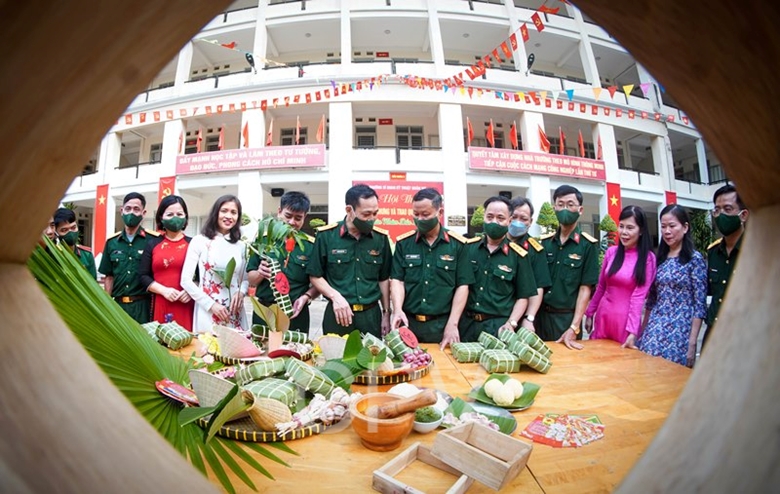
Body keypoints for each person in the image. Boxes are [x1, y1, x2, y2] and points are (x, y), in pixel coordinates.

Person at [390, 188, 474, 349]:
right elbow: (397, 280)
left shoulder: (457, 245)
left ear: (439, 212)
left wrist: (453, 324)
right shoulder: (404, 243)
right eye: (416, 214)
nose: (420, 219)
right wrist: (397, 310)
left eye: (425, 214)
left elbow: (463, 286)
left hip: (442, 325)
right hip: (409, 323)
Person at [307, 184, 392, 338]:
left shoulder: (380, 239)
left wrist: (386, 313)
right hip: (338, 314)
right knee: (335, 353)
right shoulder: (327, 236)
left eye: (375, 213)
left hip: (371, 316)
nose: (372, 219)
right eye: (366, 214)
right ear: (349, 210)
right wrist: (335, 296)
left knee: (372, 354)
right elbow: (315, 275)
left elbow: (383, 279)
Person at [459, 196, 537, 342]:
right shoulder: (468, 249)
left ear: (509, 220)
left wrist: (511, 323)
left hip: (498, 327)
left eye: (500, 218)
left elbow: (523, 297)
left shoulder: (518, 255)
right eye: (490, 217)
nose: (494, 221)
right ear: (483, 217)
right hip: (466, 325)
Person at [639, 205, 707, 367]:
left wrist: (692, 342)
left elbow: (700, 304)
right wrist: (642, 330)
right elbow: (652, 299)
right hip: (655, 326)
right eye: (663, 227)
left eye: (672, 226)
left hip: (680, 329)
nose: (667, 231)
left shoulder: (694, 259)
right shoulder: (659, 259)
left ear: (685, 227)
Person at [537, 185, 600, 350]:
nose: (565, 208)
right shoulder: (545, 243)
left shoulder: (587, 245)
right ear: (554, 208)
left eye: (570, 204)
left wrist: (574, 326)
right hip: (540, 317)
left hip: (566, 320)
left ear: (580, 210)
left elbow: (585, 289)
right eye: (560, 204)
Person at [247, 191, 319, 334]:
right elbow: (251, 279)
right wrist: (260, 273)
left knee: (295, 348)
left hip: (295, 313)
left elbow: (318, 281)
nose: (292, 222)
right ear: (279, 211)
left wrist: (307, 297)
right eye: (288, 216)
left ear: (304, 217)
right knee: (261, 347)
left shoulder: (311, 246)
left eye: (298, 218)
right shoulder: (263, 241)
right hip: (265, 311)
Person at [584, 205, 656, 347]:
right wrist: (590, 313)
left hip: (625, 322)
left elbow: (639, 297)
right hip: (603, 316)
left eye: (630, 228)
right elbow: (601, 287)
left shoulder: (648, 259)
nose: (624, 232)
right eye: (621, 226)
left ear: (641, 230)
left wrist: (633, 331)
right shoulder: (611, 252)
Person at [181, 195, 249, 334]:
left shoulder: (241, 246)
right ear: (216, 213)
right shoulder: (199, 241)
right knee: (209, 345)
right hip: (208, 309)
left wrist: (241, 293)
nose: (228, 216)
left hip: (234, 310)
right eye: (224, 211)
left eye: (233, 212)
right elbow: (185, 281)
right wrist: (211, 305)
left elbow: (245, 279)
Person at [99, 192, 158, 323]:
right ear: (122, 211)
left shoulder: (152, 241)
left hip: (143, 306)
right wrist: (107, 305)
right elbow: (109, 277)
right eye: (128, 208)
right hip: (118, 306)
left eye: (136, 209)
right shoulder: (112, 242)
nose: (131, 213)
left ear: (143, 213)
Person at [139, 195, 195, 331]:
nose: (175, 218)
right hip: (161, 303)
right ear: (161, 218)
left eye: (179, 214)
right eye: (170, 214)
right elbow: (143, 276)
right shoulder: (152, 244)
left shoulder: (194, 244)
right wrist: (164, 291)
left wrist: (191, 291)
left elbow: (202, 276)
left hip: (187, 304)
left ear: (186, 217)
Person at [704, 183, 748, 348]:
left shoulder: (756, 250)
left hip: (745, 335)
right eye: (717, 210)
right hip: (713, 331)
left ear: (743, 215)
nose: (721, 215)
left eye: (728, 209)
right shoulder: (713, 252)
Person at [508, 197, 552, 333]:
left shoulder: (535, 249)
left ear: (530, 222)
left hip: (521, 318)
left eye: (523, 219)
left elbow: (538, 286)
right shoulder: (495, 242)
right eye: (514, 217)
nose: (518, 222)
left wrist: (529, 318)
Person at [53, 207, 97, 279]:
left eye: (73, 228)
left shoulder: (86, 255)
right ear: (56, 233)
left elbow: (93, 282)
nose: (71, 233)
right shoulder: (52, 255)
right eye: (64, 230)